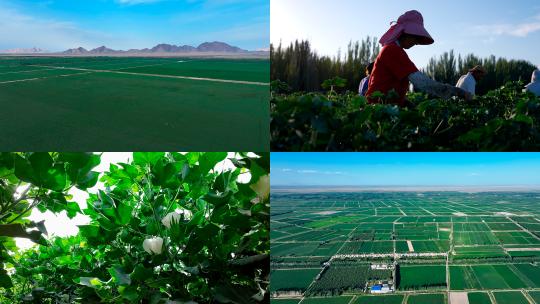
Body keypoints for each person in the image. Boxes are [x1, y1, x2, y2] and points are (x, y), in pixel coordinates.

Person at [366, 10, 471, 106]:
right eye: (415, 37)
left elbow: (388, 85)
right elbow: (423, 83)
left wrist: (406, 103)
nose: (416, 42)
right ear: (404, 33)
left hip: (383, 106)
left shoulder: (392, 49)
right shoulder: (392, 50)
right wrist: (458, 92)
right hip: (379, 109)